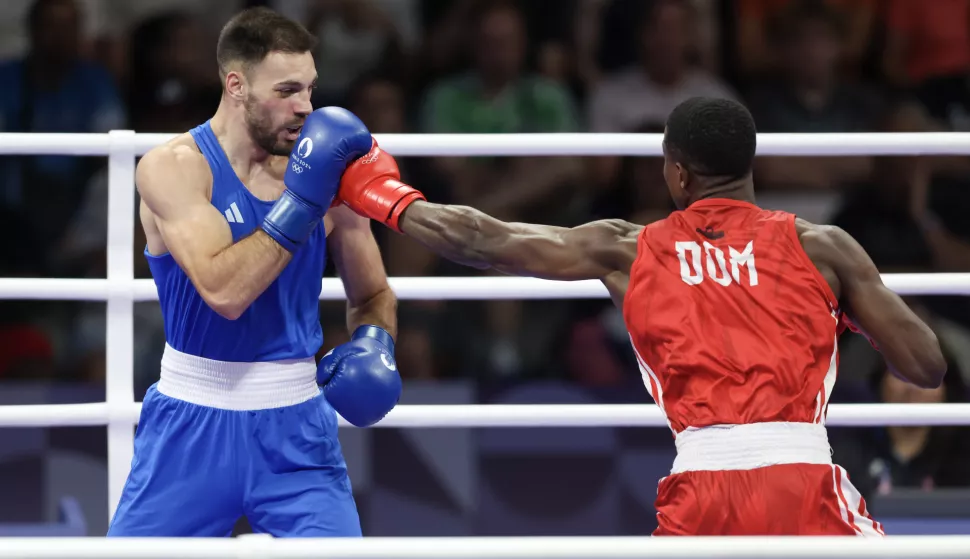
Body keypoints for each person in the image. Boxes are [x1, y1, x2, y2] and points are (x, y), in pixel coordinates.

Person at [335, 96, 947, 536]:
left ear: (677, 173)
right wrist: (837, 309)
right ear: (750, 166)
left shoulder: (628, 248)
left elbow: (485, 240)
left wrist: (379, 195)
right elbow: (925, 366)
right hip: (806, 483)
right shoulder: (824, 248)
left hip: (703, 492)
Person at [107, 8, 402, 537]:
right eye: (287, 91)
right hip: (190, 425)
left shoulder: (323, 170)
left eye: (311, 90)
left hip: (296, 429)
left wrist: (376, 342)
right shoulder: (173, 168)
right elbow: (224, 290)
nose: (305, 108)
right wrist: (303, 200)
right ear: (236, 85)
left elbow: (373, 292)